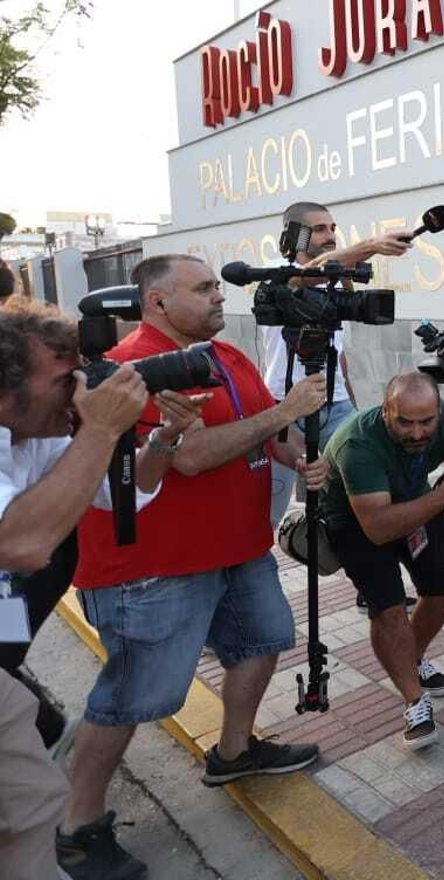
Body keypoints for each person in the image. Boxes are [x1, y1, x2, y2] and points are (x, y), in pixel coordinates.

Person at [64, 255, 329, 880]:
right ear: (157, 302)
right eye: (204, 288)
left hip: (239, 548)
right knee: (135, 696)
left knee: (263, 641)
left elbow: (263, 428)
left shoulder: (228, 357)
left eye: (217, 286)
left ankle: (234, 752)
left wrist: (296, 455)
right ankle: (76, 826)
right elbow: (189, 458)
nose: (219, 297)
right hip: (155, 567)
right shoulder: (133, 368)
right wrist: (283, 415)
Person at [0, 299, 204, 880]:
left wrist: (161, 438)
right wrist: (104, 426)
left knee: (32, 776)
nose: (79, 392)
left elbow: (118, 491)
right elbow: (21, 544)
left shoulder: (29, 434)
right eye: (65, 381)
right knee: (31, 801)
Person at [321, 374, 444, 749]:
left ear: (437, 412)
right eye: (404, 422)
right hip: (357, 519)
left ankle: (410, 658)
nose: (417, 433)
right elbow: (378, 529)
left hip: (414, 498)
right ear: (386, 411)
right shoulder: (358, 442)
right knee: (389, 609)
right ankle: (415, 701)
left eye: (426, 422)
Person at [264, 200, 413, 527]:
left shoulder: (337, 277)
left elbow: (338, 349)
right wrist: (371, 245)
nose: (330, 235)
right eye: (318, 229)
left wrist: (350, 400)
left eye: (332, 228)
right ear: (296, 234)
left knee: (358, 488)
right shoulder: (277, 271)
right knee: (268, 512)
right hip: (282, 403)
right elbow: (304, 277)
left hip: (335, 403)